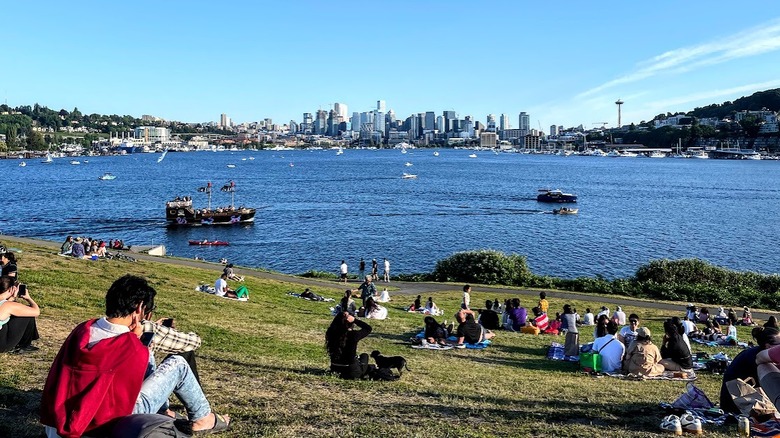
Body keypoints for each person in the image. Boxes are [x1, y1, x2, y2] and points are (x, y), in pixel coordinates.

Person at [40, 275, 230, 437]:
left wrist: (134, 340)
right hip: (108, 425)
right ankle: (203, 418)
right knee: (177, 364)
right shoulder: (131, 347)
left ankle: (164, 411)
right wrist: (135, 341)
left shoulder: (83, 330)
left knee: (148, 353)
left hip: (58, 423)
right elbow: (135, 381)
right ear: (139, 309)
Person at [720, 326, 780, 415]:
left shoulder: (755, 352)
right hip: (737, 401)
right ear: (768, 346)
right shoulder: (759, 360)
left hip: (738, 397)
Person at [325, 311, 373, 379]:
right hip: (351, 371)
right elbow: (368, 328)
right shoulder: (353, 335)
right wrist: (355, 320)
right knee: (364, 356)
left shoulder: (331, 333)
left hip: (335, 369)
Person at [0, 277, 40, 353]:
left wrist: (11, 298)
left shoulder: (5, 305)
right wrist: (28, 298)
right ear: (11, 289)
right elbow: (36, 311)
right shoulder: (8, 306)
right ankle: (24, 345)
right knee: (27, 313)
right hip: (2, 346)